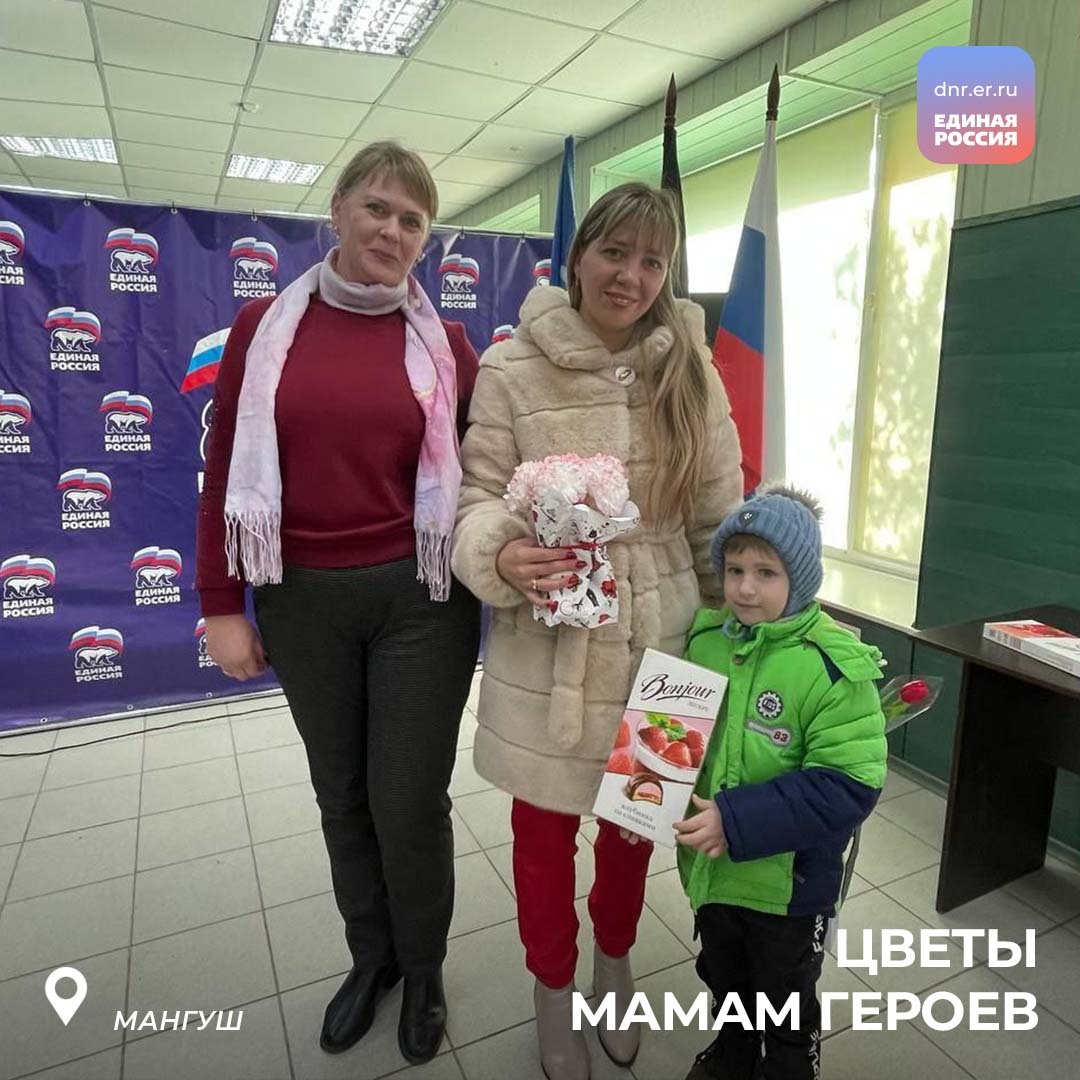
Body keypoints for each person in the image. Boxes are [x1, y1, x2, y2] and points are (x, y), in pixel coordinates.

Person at [195, 141, 481, 1065]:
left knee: (408, 799)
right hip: (300, 600)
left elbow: (486, 477)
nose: (392, 230)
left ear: (425, 239)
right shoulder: (264, 327)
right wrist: (221, 603)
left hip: (420, 602)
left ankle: (424, 968)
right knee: (343, 795)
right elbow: (223, 472)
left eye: (412, 220)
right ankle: (373, 959)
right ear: (339, 211)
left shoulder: (447, 346)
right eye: (377, 208)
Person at [451, 182, 743, 1080]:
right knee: (542, 842)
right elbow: (476, 497)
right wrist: (502, 555)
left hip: (668, 640)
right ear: (578, 257)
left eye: (654, 260)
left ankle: (614, 964)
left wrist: (736, 631)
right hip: (552, 647)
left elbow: (719, 518)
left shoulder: (691, 366)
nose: (632, 276)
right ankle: (552, 988)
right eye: (616, 252)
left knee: (633, 828)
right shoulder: (511, 368)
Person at [674, 486, 888, 1080]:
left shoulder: (831, 666)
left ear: (802, 578)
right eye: (735, 569)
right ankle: (734, 1051)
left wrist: (734, 819)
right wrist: (642, 800)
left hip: (789, 890)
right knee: (725, 976)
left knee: (786, 996)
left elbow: (850, 785)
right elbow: (674, 738)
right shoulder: (704, 642)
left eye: (766, 573)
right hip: (714, 876)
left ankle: (791, 1066)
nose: (745, 588)